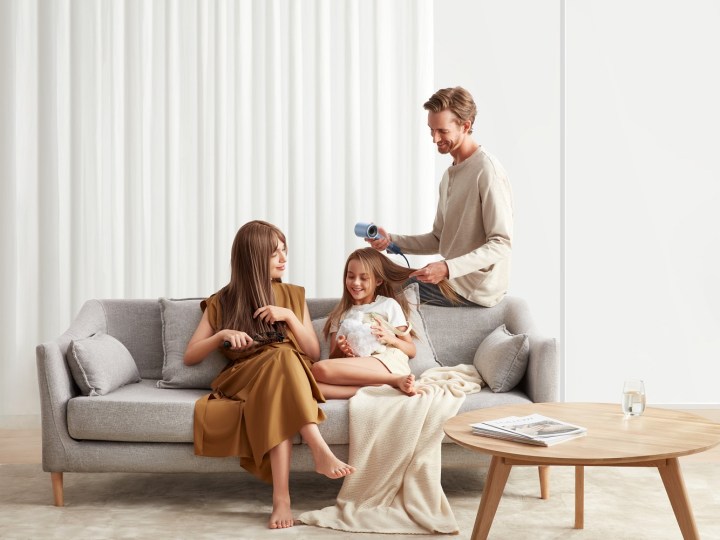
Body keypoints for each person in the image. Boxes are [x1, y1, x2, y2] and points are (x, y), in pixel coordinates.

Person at [184, 220, 354, 530]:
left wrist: (288, 316)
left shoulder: (291, 295)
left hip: (284, 376)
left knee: (284, 360)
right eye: (274, 253)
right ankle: (318, 448)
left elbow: (313, 353)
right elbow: (191, 355)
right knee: (282, 358)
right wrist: (222, 334)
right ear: (252, 258)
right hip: (242, 376)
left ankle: (282, 500)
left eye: (284, 251)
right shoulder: (222, 300)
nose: (283, 258)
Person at [367, 86, 513, 308]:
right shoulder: (450, 174)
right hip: (453, 278)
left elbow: (501, 243)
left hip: (474, 287)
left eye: (442, 131)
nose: (435, 139)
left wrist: (447, 268)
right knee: (373, 272)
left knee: (382, 289)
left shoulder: (487, 170)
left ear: (466, 126)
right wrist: (392, 240)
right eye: (431, 130)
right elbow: (439, 238)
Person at [310, 248, 455, 399]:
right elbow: (334, 359)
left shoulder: (388, 305)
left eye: (363, 278)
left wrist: (390, 338)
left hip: (387, 362)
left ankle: (394, 380)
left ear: (378, 280)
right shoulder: (340, 314)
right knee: (311, 387)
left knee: (319, 368)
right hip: (358, 367)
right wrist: (342, 348)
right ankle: (383, 389)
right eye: (351, 276)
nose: (356, 283)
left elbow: (411, 350)